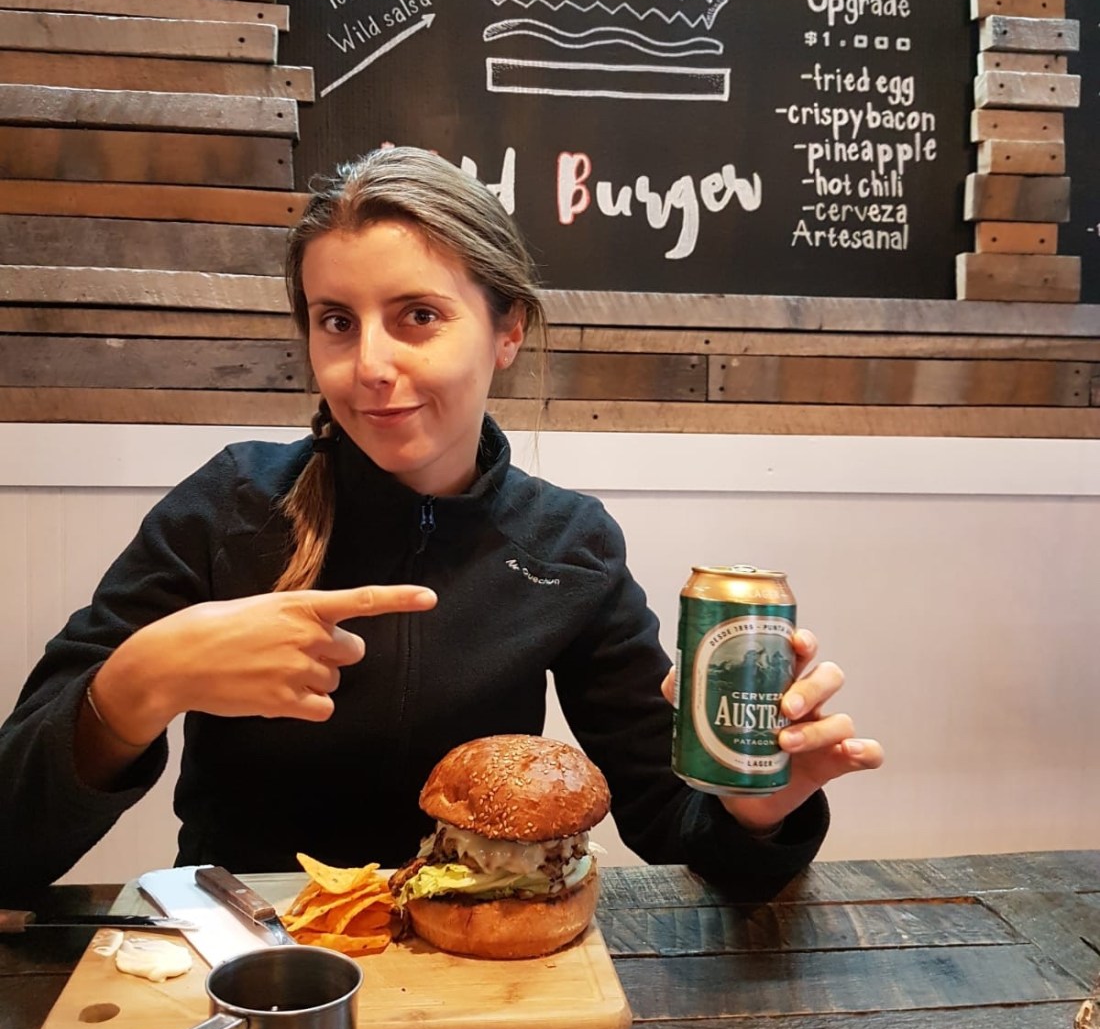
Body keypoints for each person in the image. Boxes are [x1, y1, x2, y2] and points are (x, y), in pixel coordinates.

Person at [0, 148, 882, 903]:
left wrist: (758, 811)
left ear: (508, 331)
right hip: (249, 968)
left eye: (417, 316)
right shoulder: (227, 507)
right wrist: (142, 680)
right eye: (335, 322)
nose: (370, 365)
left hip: (481, 970)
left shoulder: (567, 544)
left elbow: (671, 824)